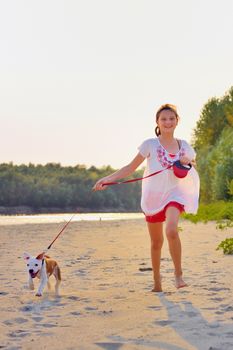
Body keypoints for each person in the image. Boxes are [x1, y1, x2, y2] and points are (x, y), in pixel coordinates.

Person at [92, 104, 200, 292]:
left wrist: (187, 162)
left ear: (177, 121)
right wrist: (106, 179)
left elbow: (191, 165)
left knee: (172, 231)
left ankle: (178, 275)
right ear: (157, 122)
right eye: (164, 119)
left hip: (175, 193)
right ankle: (157, 283)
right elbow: (129, 168)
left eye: (171, 118)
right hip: (153, 197)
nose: (168, 122)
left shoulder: (185, 146)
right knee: (156, 242)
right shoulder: (150, 144)